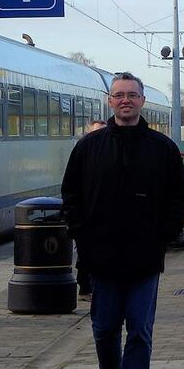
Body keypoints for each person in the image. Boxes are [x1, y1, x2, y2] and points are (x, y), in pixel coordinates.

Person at [61, 74, 184, 369]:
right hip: (101, 257)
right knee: (103, 327)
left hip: (144, 257)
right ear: (109, 101)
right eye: (119, 95)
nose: (125, 101)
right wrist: (80, 233)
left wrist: (163, 233)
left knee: (139, 330)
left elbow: (178, 198)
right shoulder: (89, 148)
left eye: (132, 95)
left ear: (142, 101)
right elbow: (70, 194)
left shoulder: (161, 149)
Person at [73, 120, 107, 301]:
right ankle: (85, 288)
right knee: (84, 256)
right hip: (86, 218)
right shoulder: (82, 151)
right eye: (94, 133)